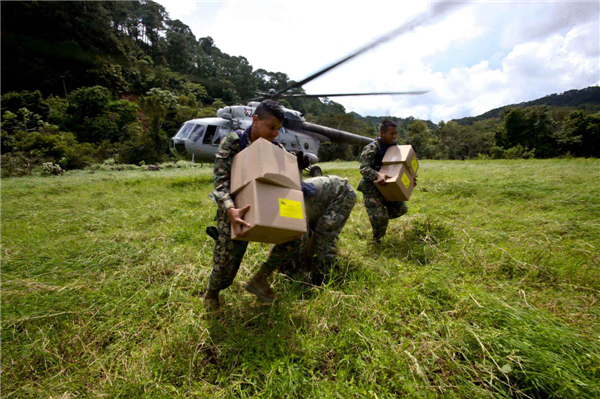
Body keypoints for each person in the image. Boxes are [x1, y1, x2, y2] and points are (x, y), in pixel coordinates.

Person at [204, 99, 290, 312]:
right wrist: (230, 209)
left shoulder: (275, 148)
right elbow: (220, 181)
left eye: (278, 130)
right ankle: (212, 292)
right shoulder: (232, 142)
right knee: (225, 264)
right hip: (234, 209)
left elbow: (284, 183)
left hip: (266, 207)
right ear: (255, 120)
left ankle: (261, 278)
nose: (275, 134)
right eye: (271, 128)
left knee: (294, 237)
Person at [264, 175, 357, 286]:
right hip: (319, 201)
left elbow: (301, 235)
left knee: (324, 233)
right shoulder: (276, 209)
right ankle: (305, 270)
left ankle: (325, 278)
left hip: (342, 194)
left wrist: (294, 270)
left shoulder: (288, 204)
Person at [357, 120, 416, 243]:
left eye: (395, 133)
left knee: (401, 209)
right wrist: (377, 175)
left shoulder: (394, 147)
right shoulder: (371, 148)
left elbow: (399, 166)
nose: (394, 136)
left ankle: (379, 215)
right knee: (380, 219)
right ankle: (376, 239)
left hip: (388, 185)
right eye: (391, 134)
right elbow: (363, 169)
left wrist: (409, 178)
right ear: (382, 133)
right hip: (371, 186)